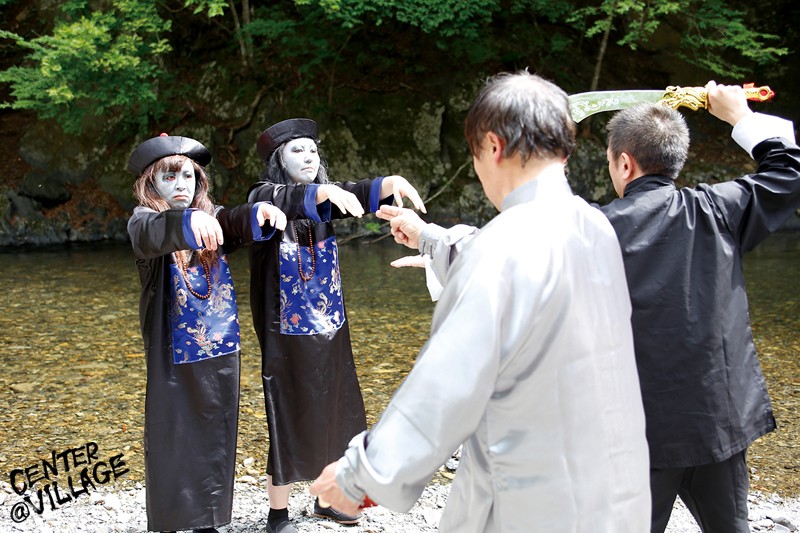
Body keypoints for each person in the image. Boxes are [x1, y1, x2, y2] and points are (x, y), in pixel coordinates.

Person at [309, 71, 651, 532]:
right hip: (618, 493)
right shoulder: (595, 227)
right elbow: (522, 274)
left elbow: (442, 390)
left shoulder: (503, 248)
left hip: (533, 502)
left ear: (493, 146)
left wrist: (357, 476)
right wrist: (430, 237)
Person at [599, 82, 800, 532]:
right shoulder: (718, 209)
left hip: (640, 433)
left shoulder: (598, 229)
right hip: (717, 423)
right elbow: (790, 169)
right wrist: (740, 116)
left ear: (624, 163)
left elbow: (525, 248)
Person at [246, 118, 426, 533]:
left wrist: (388, 183)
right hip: (284, 332)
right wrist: (323, 192)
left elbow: (354, 192)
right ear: (278, 161)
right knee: (287, 410)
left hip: (330, 325)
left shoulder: (325, 199)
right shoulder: (264, 197)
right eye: (297, 151)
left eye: (313, 150)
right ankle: (277, 514)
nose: (308, 157)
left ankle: (330, 499)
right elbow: (287, 199)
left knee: (338, 406)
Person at [127, 134, 287, 533]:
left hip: (221, 345)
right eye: (169, 176)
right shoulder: (143, 220)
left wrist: (257, 212)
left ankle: (208, 521)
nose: (181, 184)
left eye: (188, 176)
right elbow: (155, 232)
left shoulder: (209, 216)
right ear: (151, 183)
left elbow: (231, 222)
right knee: (171, 433)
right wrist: (188, 221)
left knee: (217, 430)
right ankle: (168, 523)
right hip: (172, 350)